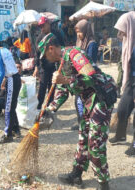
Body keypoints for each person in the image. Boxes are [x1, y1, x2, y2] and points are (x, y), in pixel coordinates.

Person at [39, 33, 116, 190]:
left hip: (100, 97)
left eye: (45, 54)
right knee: (83, 138)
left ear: (51, 49)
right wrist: (50, 109)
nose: (45, 58)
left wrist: (67, 80)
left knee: (95, 142)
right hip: (88, 101)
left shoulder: (75, 54)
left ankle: (103, 184)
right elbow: (62, 91)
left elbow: (91, 76)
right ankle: (76, 175)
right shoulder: (60, 63)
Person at [0, 34, 21, 143]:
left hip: (11, 80)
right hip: (16, 78)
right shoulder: (5, 50)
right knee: (11, 105)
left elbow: (0, 72)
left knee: (8, 108)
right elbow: (9, 68)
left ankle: (7, 134)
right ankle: (16, 129)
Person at [109, 11, 135, 156]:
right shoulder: (130, 42)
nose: (120, 34)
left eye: (123, 30)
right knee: (122, 109)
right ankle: (121, 135)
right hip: (131, 81)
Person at [71, 19, 99, 131]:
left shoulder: (92, 44)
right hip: (79, 75)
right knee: (78, 101)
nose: (78, 34)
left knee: (86, 101)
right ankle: (80, 122)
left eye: (80, 32)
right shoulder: (79, 42)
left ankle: (86, 124)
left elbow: (90, 61)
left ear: (86, 31)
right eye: (77, 32)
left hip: (88, 77)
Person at [33, 16, 64, 110]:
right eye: (40, 26)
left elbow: (62, 48)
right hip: (44, 66)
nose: (42, 28)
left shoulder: (57, 34)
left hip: (55, 66)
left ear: (48, 24)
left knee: (52, 87)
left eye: (43, 26)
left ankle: (48, 107)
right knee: (42, 87)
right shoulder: (39, 38)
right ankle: (38, 108)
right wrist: (36, 67)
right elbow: (37, 54)